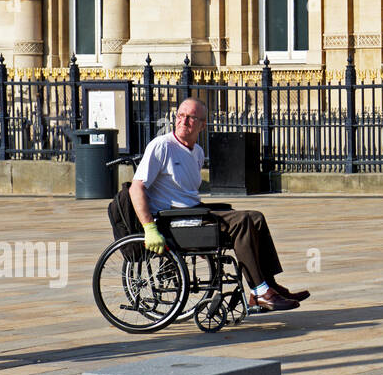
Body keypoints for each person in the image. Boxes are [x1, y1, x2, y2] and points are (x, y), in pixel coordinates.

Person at [127, 97, 310, 312]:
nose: (183, 121)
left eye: (191, 117)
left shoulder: (197, 152)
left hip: (192, 213)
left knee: (256, 217)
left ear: (202, 124)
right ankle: (260, 290)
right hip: (172, 219)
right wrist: (149, 228)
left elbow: (189, 195)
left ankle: (267, 286)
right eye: (180, 116)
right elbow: (135, 188)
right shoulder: (161, 146)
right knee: (241, 222)